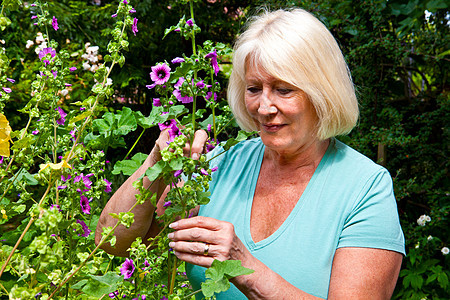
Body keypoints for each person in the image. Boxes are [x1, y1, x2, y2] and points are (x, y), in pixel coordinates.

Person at [96, 8, 405, 299]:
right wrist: (157, 165)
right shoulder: (221, 165)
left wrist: (243, 266)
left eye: (284, 90)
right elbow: (112, 242)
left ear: (322, 93)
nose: (264, 107)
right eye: (254, 88)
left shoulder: (364, 187)